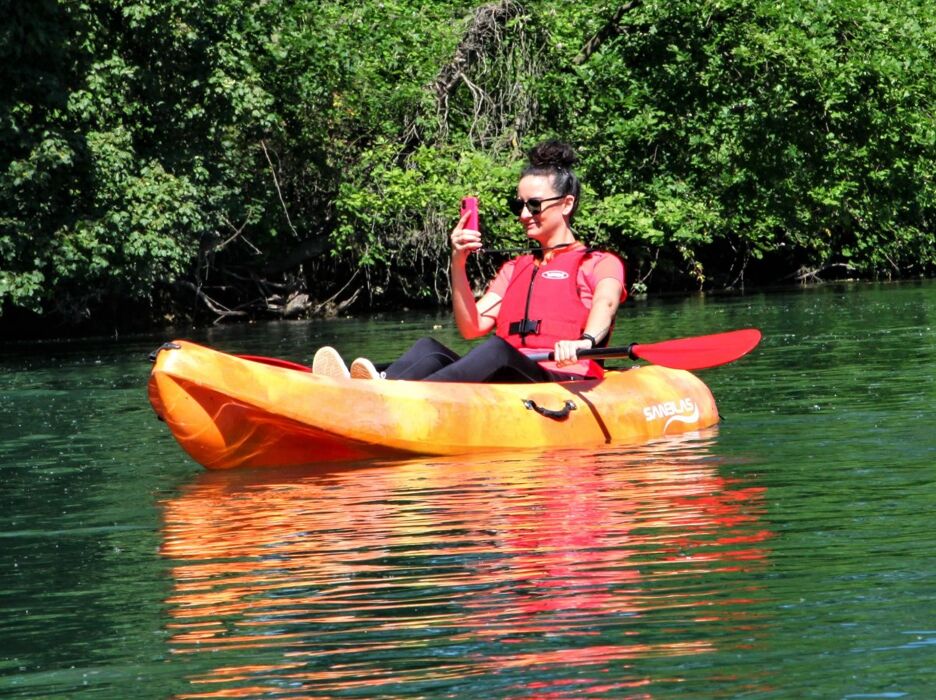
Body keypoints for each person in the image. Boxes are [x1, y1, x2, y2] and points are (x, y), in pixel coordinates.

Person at [313, 140, 626, 382]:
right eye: (518, 205)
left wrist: (585, 341)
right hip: (511, 375)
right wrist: (458, 262)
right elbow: (471, 326)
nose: (523, 215)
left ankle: (398, 394)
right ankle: (380, 384)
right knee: (429, 348)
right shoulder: (515, 269)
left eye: (534, 205)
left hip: (564, 376)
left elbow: (606, 304)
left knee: (496, 350)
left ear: (566, 204)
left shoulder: (599, 262)